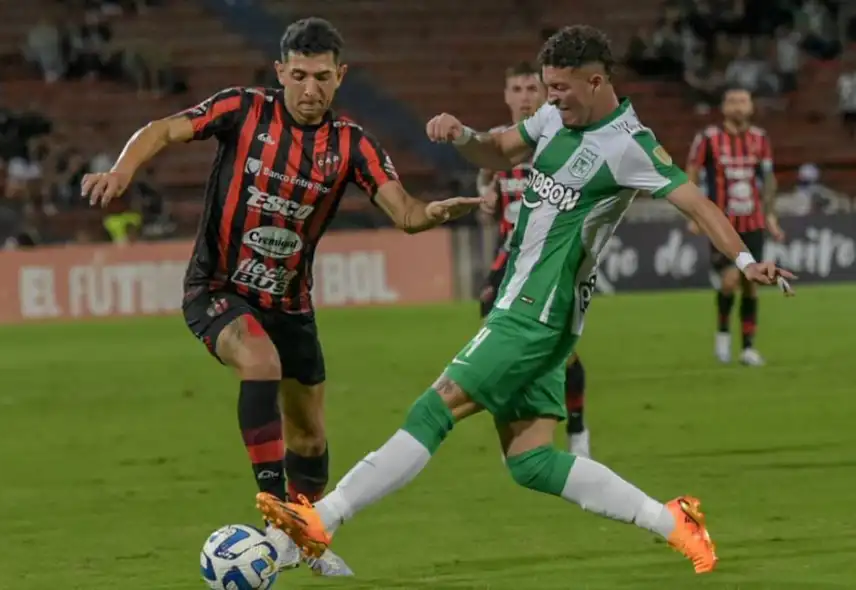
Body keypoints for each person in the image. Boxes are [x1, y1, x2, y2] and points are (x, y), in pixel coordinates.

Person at [256, 25, 796, 576]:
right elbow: (497, 147)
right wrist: (461, 133)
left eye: (560, 88)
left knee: (435, 407)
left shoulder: (629, 145)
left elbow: (697, 204)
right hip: (538, 311)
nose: (549, 98)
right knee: (531, 460)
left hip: (536, 311)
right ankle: (674, 521)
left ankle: (323, 519)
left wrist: (746, 262)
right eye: (546, 86)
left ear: (595, 81)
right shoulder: (554, 120)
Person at [79, 17, 479, 577]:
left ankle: (299, 538)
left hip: (290, 303)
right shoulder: (243, 110)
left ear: (341, 76)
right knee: (259, 361)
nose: (309, 89)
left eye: (321, 77)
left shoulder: (351, 145)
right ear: (279, 72)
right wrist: (123, 170)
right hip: (216, 287)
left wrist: (432, 214)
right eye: (298, 75)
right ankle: (275, 521)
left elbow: (405, 211)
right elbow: (165, 129)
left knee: (310, 435)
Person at [477, 63, 591, 457]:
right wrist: (486, 198)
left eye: (531, 87)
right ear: (506, 96)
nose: (525, 95)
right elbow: (485, 187)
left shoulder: (563, 137)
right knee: (492, 322)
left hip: (551, 261)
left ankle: (577, 430)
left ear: (543, 94)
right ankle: (524, 421)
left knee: (563, 351)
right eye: (517, 88)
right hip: (508, 258)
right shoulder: (496, 142)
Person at [686, 87, 784, 366]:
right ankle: (723, 336)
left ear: (751, 107)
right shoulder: (708, 138)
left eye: (743, 101)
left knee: (751, 283)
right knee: (729, 281)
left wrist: (771, 217)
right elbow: (691, 172)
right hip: (722, 223)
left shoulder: (760, 139)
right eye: (732, 102)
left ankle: (748, 348)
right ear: (724, 107)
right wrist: (693, 214)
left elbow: (768, 181)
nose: (738, 107)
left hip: (753, 223)